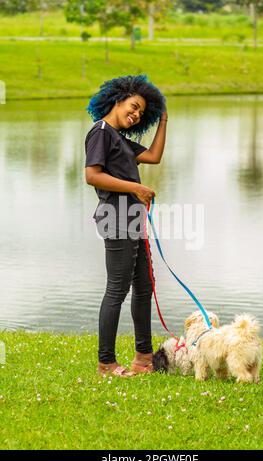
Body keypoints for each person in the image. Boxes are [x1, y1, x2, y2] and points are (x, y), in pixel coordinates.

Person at [85, 74, 167, 377]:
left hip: (132, 219)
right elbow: (92, 175)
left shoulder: (120, 138)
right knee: (117, 290)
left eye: (141, 114)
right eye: (133, 107)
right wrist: (134, 188)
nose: (135, 115)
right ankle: (106, 363)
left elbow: (155, 157)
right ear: (118, 99)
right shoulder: (101, 132)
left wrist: (163, 120)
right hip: (115, 217)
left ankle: (144, 358)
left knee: (144, 287)